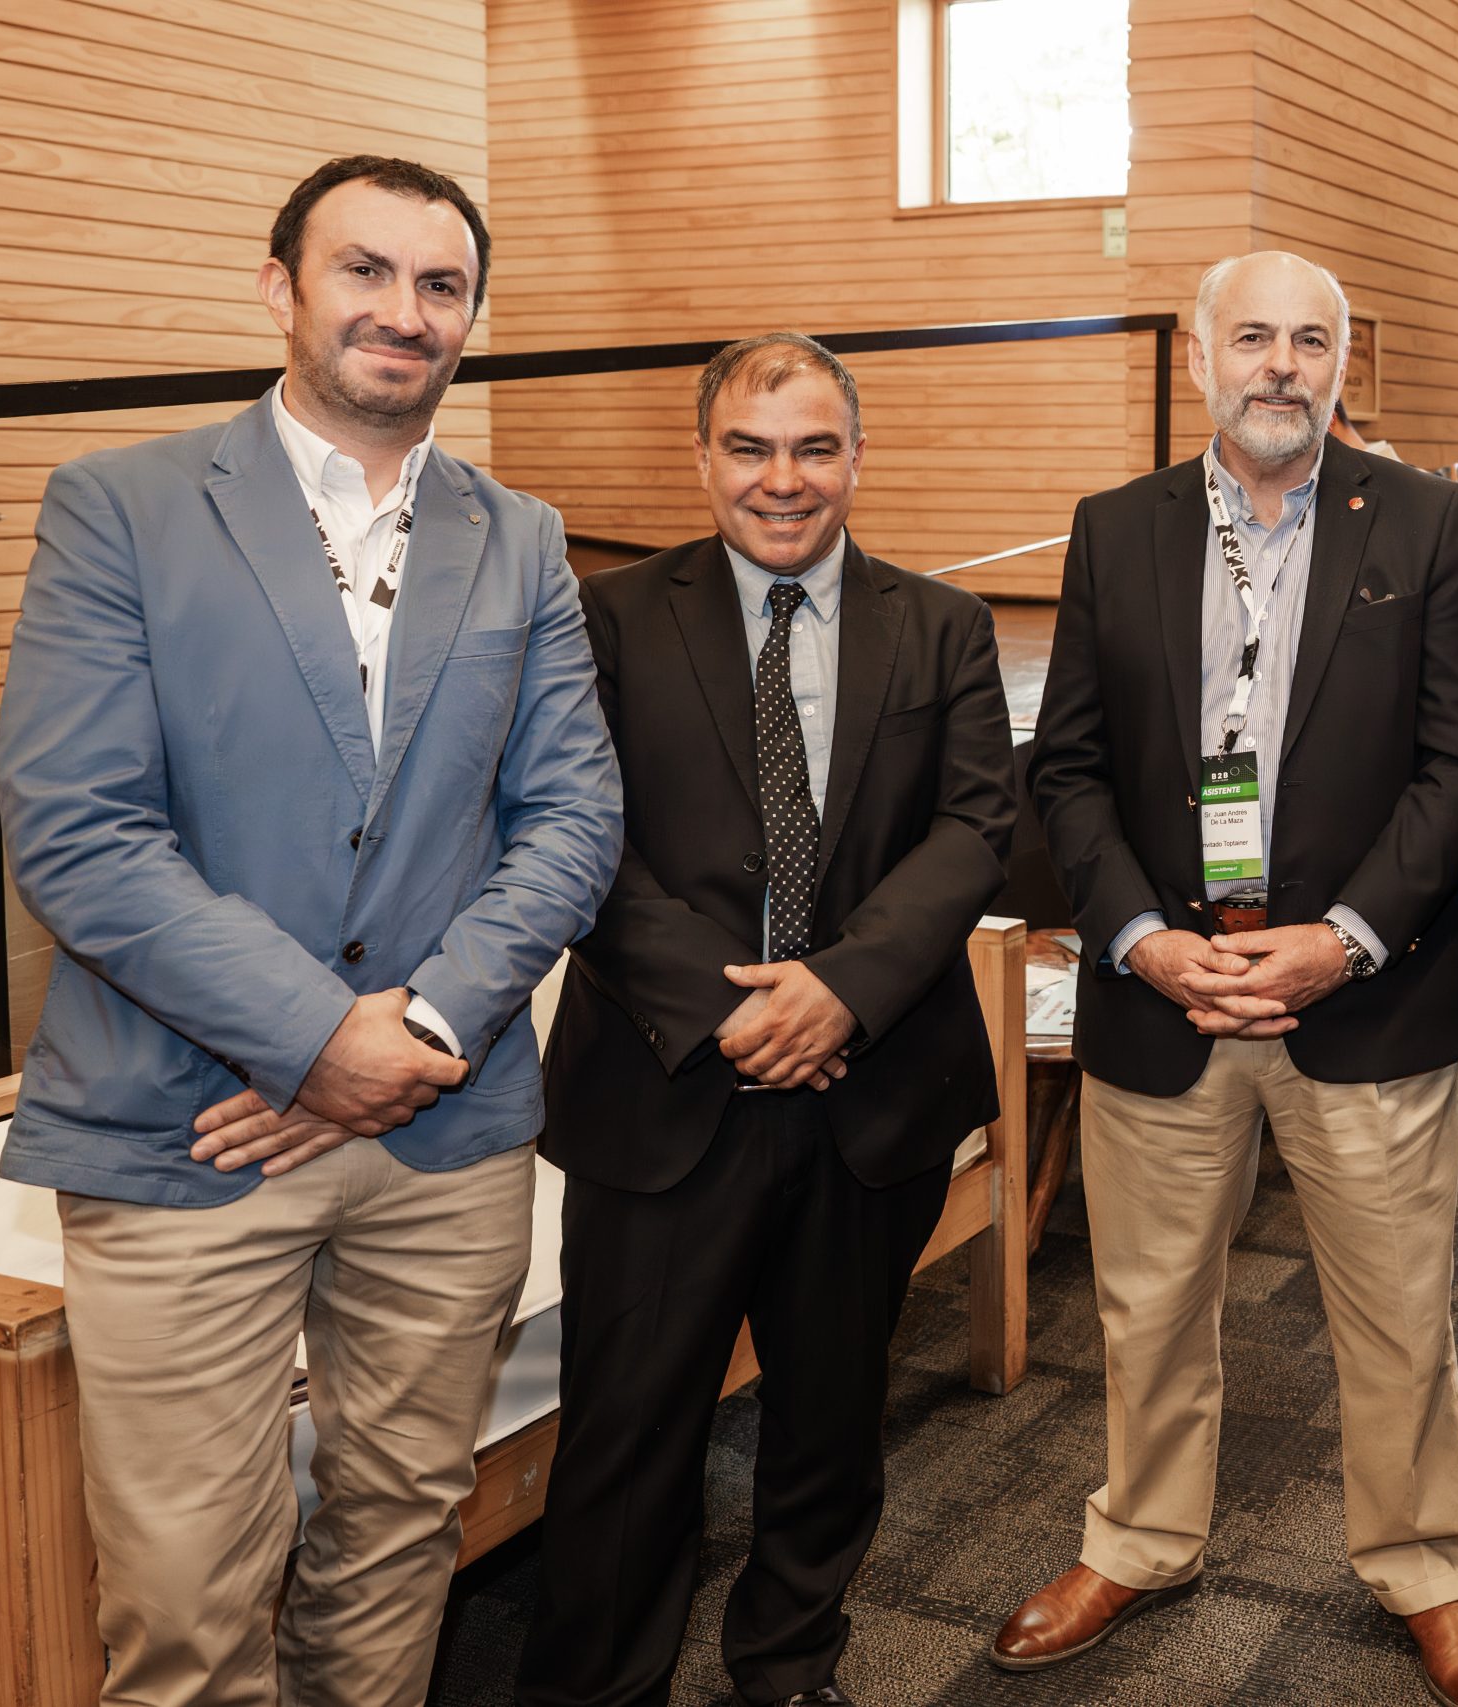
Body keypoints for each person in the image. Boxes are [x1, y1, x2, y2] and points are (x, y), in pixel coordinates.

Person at [0, 155, 623, 1707]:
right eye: (365, 270)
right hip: (185, 1128)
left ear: (469, 317)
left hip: (444, 1131)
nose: (403, 311)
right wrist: (315, 1038)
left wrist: (416, 1033)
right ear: (281, 286)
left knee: (398, 1541)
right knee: (187, 1601)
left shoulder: (522, 536)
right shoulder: (122, 509)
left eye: (441, 284)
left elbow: (571, 817)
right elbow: (76, 825)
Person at [1002, 250, 1458, 1707]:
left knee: (1400, 1312)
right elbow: (1070, 769)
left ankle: (1426, 1564)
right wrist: (1141, 941)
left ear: (1345, 364)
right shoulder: (1118, 527)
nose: (1280, 365)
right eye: (1252, 339)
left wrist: (1342, 937)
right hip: (1163, 991)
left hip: (1366, 992)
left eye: (1309, 342)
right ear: (1198, 356)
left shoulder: (1425, 521)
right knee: (1148, 1304)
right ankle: (1139, 1538)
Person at [519, 335, 1017, 1707]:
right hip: (665, 1090)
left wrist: (842, 986)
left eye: (813, 447)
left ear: (856, 456)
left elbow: (977, 828)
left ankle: (790, 1666)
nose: (781, 479)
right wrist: (730, 1008)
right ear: (703, 458)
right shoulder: (607, 619)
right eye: (749, 448)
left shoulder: (942, 624)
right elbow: (571, 834)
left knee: (831, 1425)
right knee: (627, 1438)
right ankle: (595, 1689)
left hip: (873, 1099)